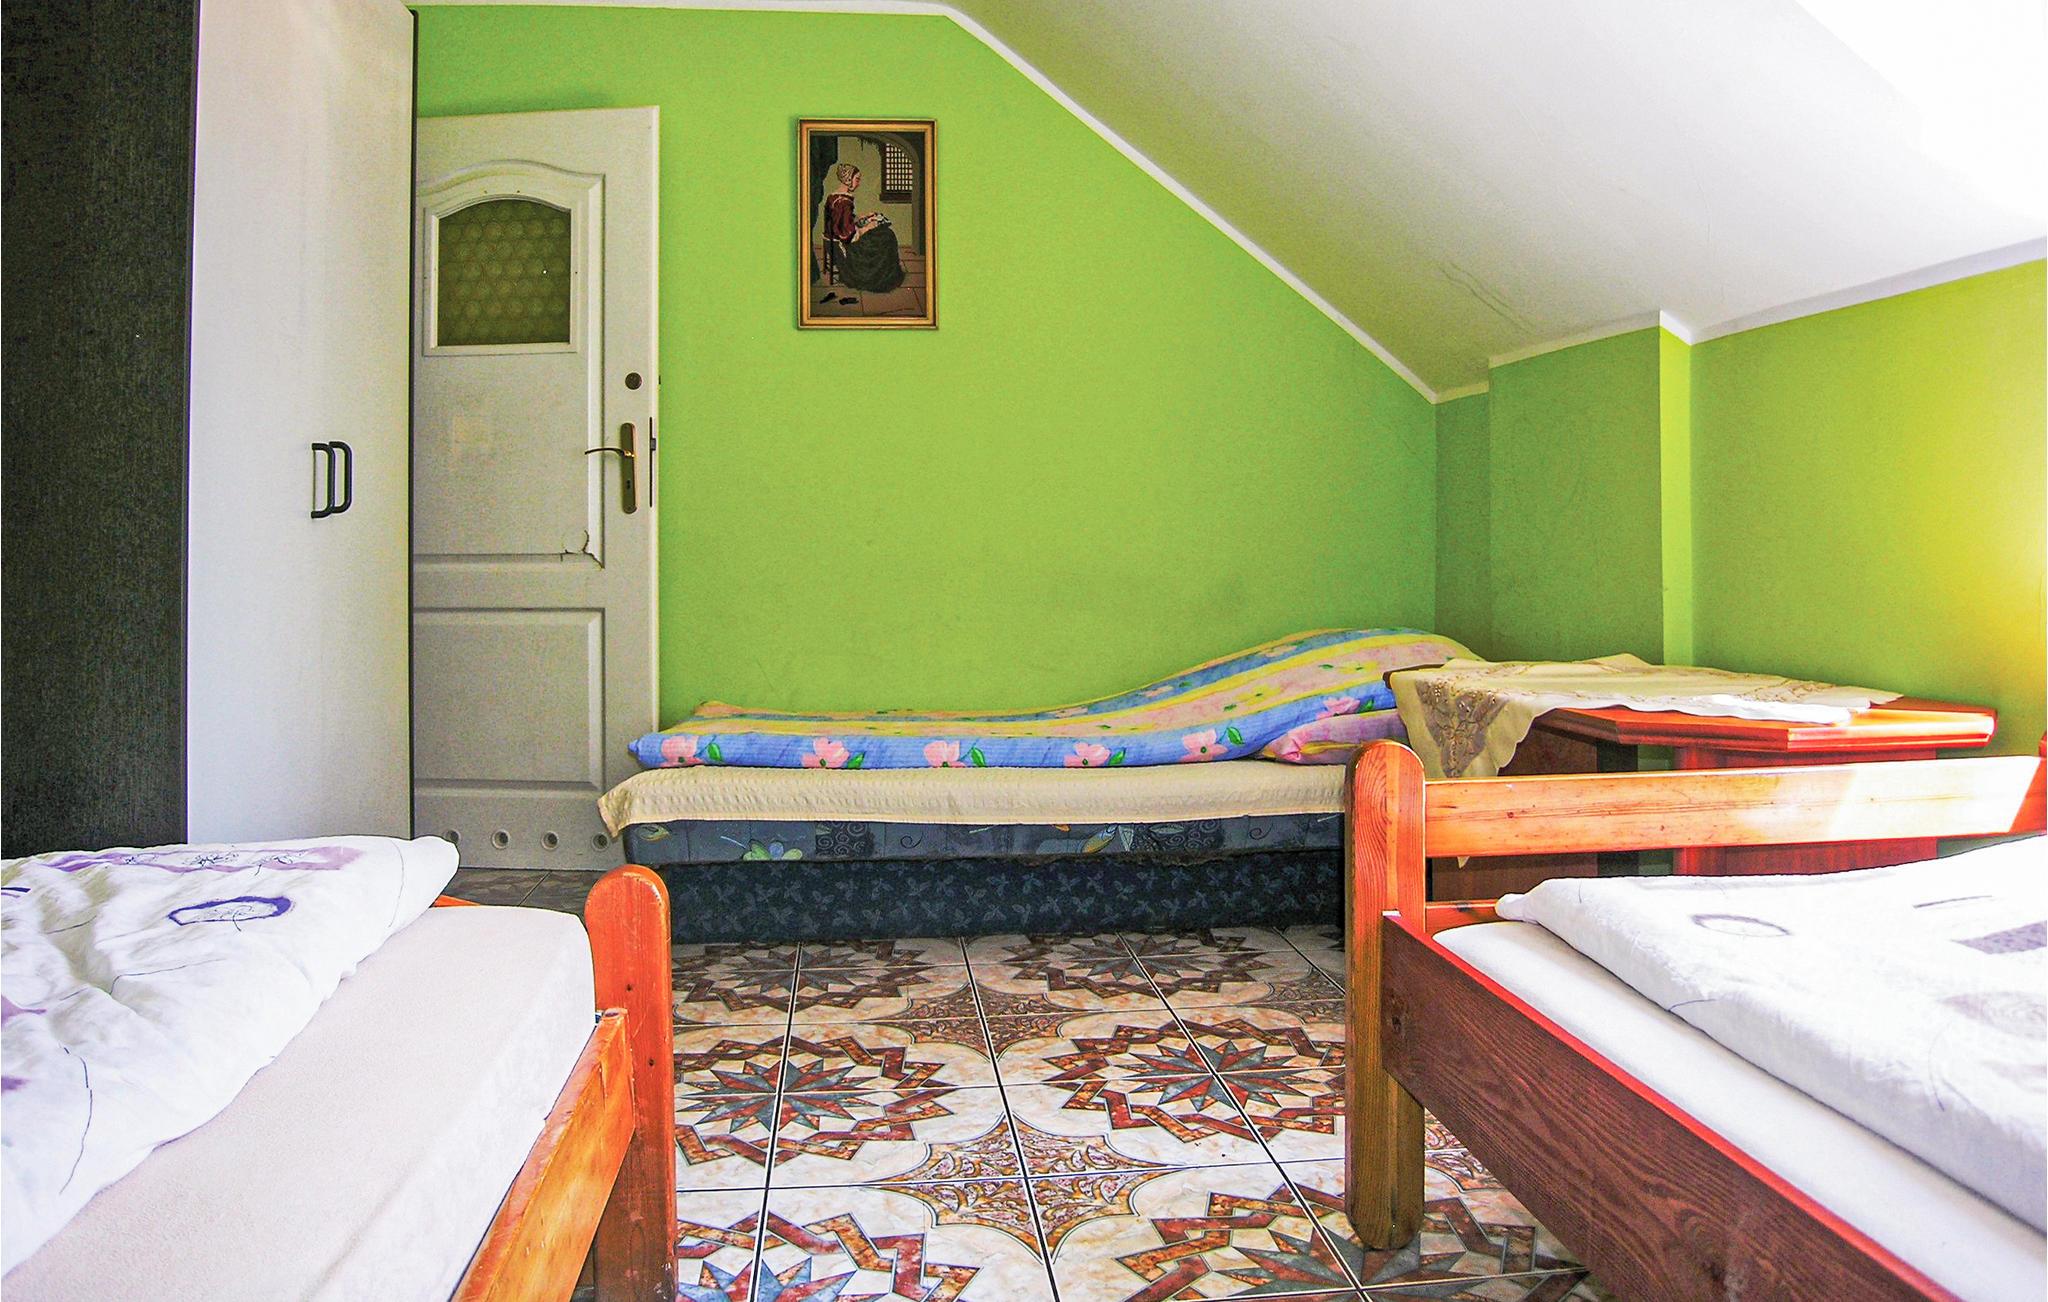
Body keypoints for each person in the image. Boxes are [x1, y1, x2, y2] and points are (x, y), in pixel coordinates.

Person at [816, 162, 905, 300]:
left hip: (836, 237)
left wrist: (863, 217)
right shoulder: (843, 202)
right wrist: (868, 227)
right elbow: (847, 235)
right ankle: (880, 277)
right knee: (886, 237)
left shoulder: (835, 196)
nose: (858, 183)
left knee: (882, 233)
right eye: (857, 179)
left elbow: (842, 221)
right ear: (848, 180)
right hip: (842, 245)